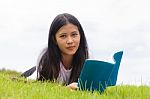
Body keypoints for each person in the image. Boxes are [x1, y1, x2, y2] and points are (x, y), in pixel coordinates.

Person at [22, 13, 89, 90]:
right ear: (54, 40)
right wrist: (65, 89)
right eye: (63, 36)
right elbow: (34, 86)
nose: (70, 41)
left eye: (74, 34)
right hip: (32, 73)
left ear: (80, 35)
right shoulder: (46, 61)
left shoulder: (86, 59)